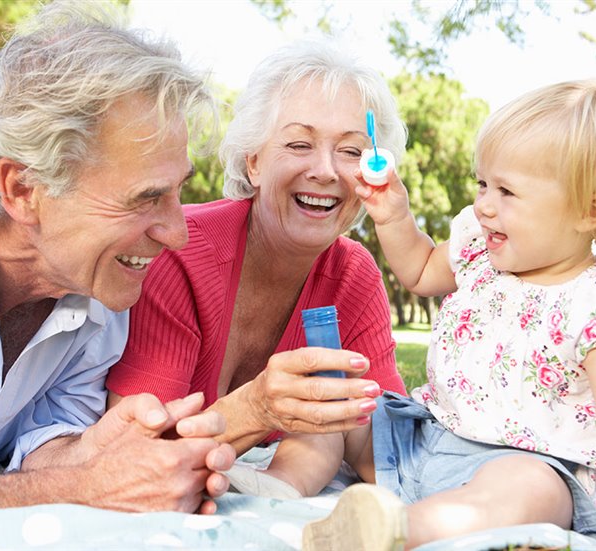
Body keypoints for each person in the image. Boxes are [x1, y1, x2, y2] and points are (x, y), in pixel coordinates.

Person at [249, 80, 596, 549]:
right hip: (421, 440)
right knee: (340, 406)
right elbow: (420, 269)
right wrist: (393, 217)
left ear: (589, 211)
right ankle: (279, 491)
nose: (484, 204)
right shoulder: (480, 251)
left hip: (514, 466)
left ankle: (395, 530)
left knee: (532, 490)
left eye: (507, 192)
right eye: (483, 184)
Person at [0, 1, 236, 521]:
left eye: (176, 192)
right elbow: (53, 489)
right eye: (145, 197)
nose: (178, 234)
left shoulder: (100, 293)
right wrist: (77, 490)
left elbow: (41, 451)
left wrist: (102, 450)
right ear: (23, 188)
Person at [106, 40, 408, 464]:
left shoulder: (355, 277)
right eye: (299, 145)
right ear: (254, 164)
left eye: (352, 152)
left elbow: (388, 448)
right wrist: (256, 409)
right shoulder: (178, 251)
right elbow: (133, 454)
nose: (325, 170)